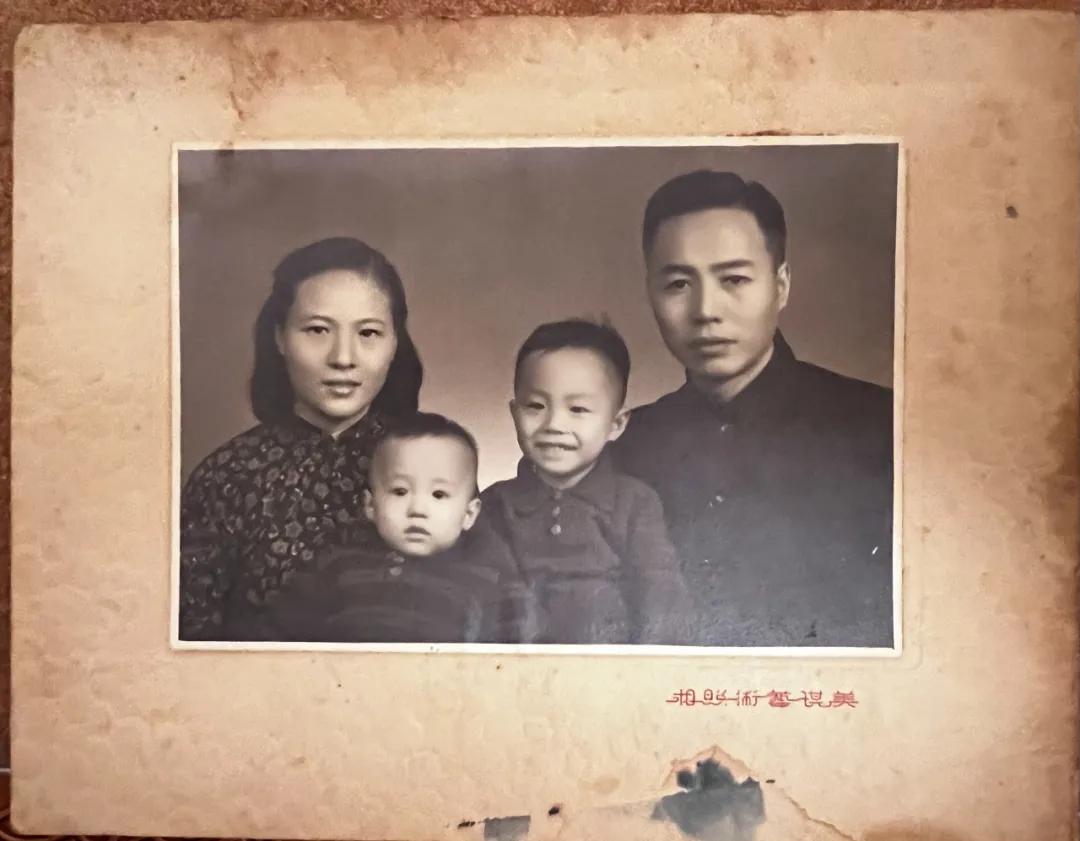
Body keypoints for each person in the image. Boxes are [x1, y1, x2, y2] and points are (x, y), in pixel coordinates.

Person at [610, 170, 894, 648]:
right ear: (649, 293)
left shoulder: (883, 427)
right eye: (678, 284)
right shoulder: (621, 449)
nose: (706, 310)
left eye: (734, 279)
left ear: (781, 285)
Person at [178, 236, 423, 642]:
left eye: (368, 333)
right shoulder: (226, 477)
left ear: (395, 342)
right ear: (279, 336)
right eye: (317, 330)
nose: (343, 358)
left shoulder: (434, 463)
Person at [482, 318, 692, 645]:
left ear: (615, 424)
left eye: (578, 409)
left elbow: (661, 600)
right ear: (514, 412)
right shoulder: (495, 505)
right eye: (535, 406)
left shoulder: (634, 504)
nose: (554, 424)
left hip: (612, 667)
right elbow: (478, 599)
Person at [260, 412, 524, 644]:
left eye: (439, 494)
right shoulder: (337, 566)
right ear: (370, 505)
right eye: (400, 491)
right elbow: (273, 638)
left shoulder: (487, 579)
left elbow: (519, 657)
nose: (417, 509)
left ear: (469, 513)